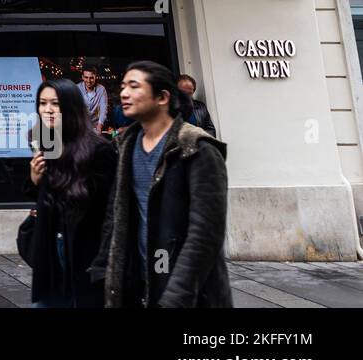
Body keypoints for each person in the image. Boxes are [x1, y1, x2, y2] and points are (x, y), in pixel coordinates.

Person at [93, 61, 232, 308]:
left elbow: (205, 234)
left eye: (134, 86)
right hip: (137, 285)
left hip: (186, 294)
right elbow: (115, 215)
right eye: (123, 86)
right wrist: (103, 270)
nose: (124, 93)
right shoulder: (126, 145)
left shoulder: (197, 148)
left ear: (162, 97)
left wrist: (176, 297)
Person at [22, 78, 116, 307]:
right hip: (51, 249)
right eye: (42, 103)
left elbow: (110, 209)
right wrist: (34, 180)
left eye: (55, 103)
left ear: (71, 105)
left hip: (85, 252)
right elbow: (44, 197)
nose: (48, 110)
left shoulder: (98, 149)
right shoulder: (43, 142)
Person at [79, 67, 108, 133]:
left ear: (95, 77)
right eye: (86, 77)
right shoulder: (77, 88)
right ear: (82, 77)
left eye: (91, 78)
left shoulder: (101, 89)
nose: (88, 81)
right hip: (81, 124)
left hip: (95, 125)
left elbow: (103, 109)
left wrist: (100, 125)